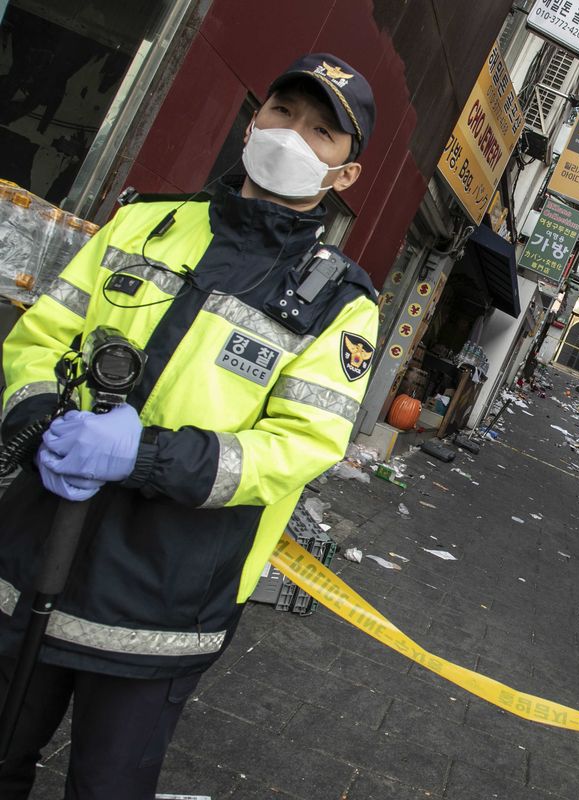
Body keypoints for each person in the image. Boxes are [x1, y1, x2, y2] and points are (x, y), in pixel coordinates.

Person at [0, 53, 378, 798]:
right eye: (281, 113)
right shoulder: (143, 223)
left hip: (162, 600)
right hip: (32, 554)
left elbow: (297, 447)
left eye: (320, 134)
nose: (290, 137)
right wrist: (44, 419)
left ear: (345, 175)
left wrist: (144, 455)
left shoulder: (341, 305)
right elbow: (40, 338)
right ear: (252, 121)